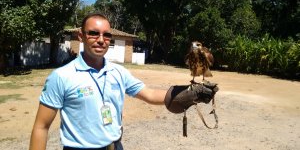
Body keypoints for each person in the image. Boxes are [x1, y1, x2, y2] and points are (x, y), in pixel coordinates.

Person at [29, 13, 218, 150]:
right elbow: (41, 126)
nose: (101, 40)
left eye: (106, 35)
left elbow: (149, 94)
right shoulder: (61, 76)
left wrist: (188, 92)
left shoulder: (118, 72)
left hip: (115, 146)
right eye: (93, 33)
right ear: (81, 37)